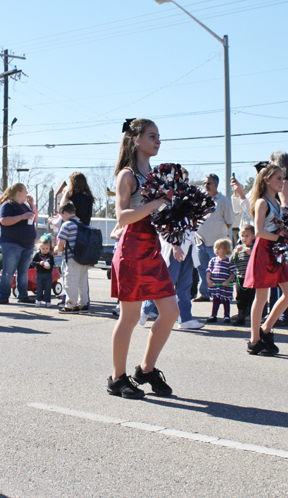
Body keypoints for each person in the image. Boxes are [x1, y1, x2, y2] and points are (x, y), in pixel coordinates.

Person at [109, 118, 178, 399]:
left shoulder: (156, 175)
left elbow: (162, 214)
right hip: (131, 250)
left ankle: (146, 369)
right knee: (130, 317)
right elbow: (122, 216)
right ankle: (117, 378)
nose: (158, 140)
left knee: (171, 312)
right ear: (136, 140)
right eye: (152, 136)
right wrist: (156, 204)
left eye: (159, 136)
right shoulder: (127, 175)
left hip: (152, 249)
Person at [244, 164, 288, 357]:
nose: (282, 182)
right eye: (279, 178)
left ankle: (265, 329)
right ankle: (254, 340)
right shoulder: (262, 202)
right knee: (262, 297)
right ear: (267, 180)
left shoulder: (276, 202)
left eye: (283, 178)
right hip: (264, 251)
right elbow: (258, 232)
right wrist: (280, 237)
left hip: (277, 252)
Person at [140, 229, 203, 330]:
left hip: (189, 245)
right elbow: (164, 226)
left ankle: (185, 319)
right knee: (166, 283)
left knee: (185, 285)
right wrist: (175, 245)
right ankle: (145, 309)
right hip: (173, 246)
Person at [0, 183, 37, 305]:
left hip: (28, 244)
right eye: (24, 190)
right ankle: (4, 296)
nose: (26, 193)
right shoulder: (8, 205)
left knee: (23, 271)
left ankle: (23, 295)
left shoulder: (25, 206)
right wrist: (22, 216)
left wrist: (32, 205)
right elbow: (4, 220)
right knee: (9, 271)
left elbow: (35, 219)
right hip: (12, 243)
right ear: (18, 192)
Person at [268, 151, 288, 326]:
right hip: (282, 233)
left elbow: (286, 208)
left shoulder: (285, 183)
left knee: (284, 274)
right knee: (279, 273)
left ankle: (286, 315)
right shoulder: (284, 182)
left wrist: (280, 231)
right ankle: (279, 313)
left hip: (283, 234)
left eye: (271, 161)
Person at [193, 173, 234, 302]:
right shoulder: (201, 200)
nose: (206, 185)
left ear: (216, 184)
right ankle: (204, 294)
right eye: (205, 183)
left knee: (219, 270)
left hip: (216, 244)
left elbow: (229, 221)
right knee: (202, 269)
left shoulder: (223, 201)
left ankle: (220, 293)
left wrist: (216, 231)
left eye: (208, 183)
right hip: (200, 241)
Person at [54, 201, 92, 313]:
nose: (62, 218)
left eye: (61, 215)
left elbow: (61, 244)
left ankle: (71, 305)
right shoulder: (82, 223)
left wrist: (57, 249)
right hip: (84, 258)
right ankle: (84, 304)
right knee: (82, 282)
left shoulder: (67, 225)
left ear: (65, 212)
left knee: (71, 281)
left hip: (72, 258)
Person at [205, 238, 236, 323]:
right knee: (215, 300)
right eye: (215, 248)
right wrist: (208, 280)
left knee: (226, 301)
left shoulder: (229, 261)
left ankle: (226, 316)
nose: (216, 250)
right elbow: (209, 270)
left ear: (226, 250)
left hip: (225, 286)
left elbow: (233, 273)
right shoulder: (213, 260)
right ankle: (213, 315)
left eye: (219, 248)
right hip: (215, 286)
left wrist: (228, 281)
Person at [229, 224, 255, 326]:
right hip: (240, 277)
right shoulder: (238, 248)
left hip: (252, 278)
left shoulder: (254, 248)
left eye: (247, 236)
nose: (244, 238)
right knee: (240, 298)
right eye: (242, 236)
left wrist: (252, 253)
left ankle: (253, 317)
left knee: (252, 298)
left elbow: (259, 261)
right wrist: (235, 252)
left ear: (253, 236)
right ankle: (241, 316)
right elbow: (231, 261)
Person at [32, 235, 55, 307]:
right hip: (40, 273)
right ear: (39, 247)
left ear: (49, 248)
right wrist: (39, 263)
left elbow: (52, 265)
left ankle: (48, 301)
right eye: (43, 248)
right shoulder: (38, 254)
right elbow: (33, 262)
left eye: (47, 248)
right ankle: (39, 300)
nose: (45, 250)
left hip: (48, 274)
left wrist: (49, 267)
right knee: (39, 287)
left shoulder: (50, 255)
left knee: (48, 288)